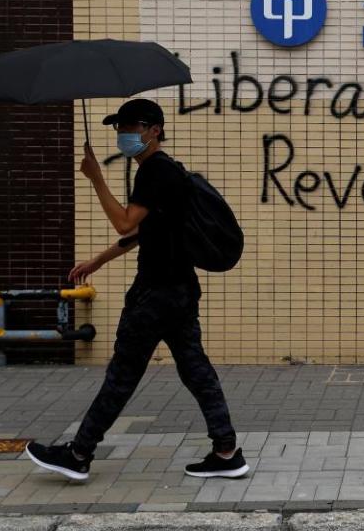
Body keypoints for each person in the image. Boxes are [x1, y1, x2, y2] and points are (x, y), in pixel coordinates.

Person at [25, 98, 248, 481]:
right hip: (180, 289)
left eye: (132, 126)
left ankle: (78, 454)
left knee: (123, 374)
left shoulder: (154, 172)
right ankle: (226, 451)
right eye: (119, 127)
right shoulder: (167, 172)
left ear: (154, 130)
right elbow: (146, 232)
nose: (123, 133)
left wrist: (96, 177)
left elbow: (124, 223)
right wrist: (99, 260)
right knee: (196, 370)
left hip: (155, 294)